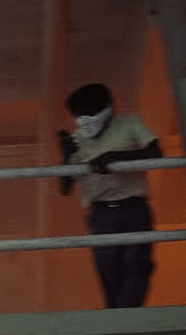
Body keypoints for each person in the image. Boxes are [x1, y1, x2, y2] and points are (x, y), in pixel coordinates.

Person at [59, 83, 162, 309]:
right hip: (101, 214)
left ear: (106, 108)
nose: (84, 118)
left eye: (89, 111)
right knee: (108, 268)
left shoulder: (129, 123)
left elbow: (155, 152)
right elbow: (65, 187)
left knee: (137, 264)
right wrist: (65, 157)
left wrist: (116, 157)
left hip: (134, 208)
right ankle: (116, 316)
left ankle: (128, 315)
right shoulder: (77, 140)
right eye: (79, 114)